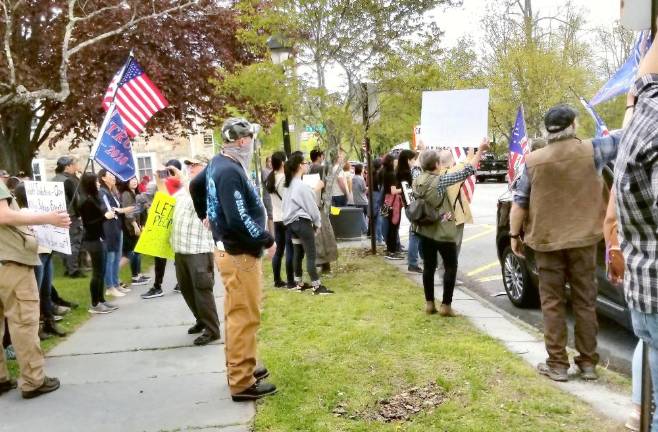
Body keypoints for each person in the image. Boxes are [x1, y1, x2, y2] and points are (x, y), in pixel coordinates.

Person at [510, 104, 609, 383]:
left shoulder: (533, 160)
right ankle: (588, 363)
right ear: (574, 125)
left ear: (547, 130)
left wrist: (513, 235)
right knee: (585, 301)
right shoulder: (594, 149)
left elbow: (519, 204)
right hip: (584, 239)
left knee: (552, 302)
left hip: (546, 241)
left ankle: (557, 365)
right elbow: (627, 139)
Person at [190, 117, 276, 401]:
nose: (253, 143)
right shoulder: (228, 171)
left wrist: (205, 212)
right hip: (239, 253)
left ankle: (244, 365)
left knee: (239, 313)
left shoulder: (220, 162)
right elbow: (238, 218)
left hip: (233, 250)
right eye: (251, 138)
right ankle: (241, 381)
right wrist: (267, 238)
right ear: (242, 141)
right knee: (244, 316)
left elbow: (196, 185)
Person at [0, 175, 70, 398]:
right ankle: (33, 381)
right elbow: (3, 215)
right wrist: (47, 218)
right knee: (23, 322)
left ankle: (1, 379)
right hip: (10, 263)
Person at [413, 140, 488, 316]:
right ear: (437, 165)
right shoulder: (441, 180)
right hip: (443, 230)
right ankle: (446, 305)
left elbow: (417, 166)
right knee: (450, 266)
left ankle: (429, 303)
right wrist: (480, 151)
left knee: (429, 267)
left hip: (424, 230)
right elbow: (467, 171)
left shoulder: (416, 179)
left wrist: (423, 151)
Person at [172, 155, 221, 346]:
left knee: (202, 291)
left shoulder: (208, 187)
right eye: (189, 165)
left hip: (198, 250)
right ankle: (200, 319)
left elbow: (203, 205)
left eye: (195, 165)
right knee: (186, 289)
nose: (190, 168)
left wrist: (183, 181)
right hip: (181, 249)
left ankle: (212, 329)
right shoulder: (184, 190)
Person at [11, 183, 67, 338]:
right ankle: (38, 327)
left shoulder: (38, 211)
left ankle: (49, 322)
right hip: (37, 255)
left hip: (46, 251)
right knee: (36, 292)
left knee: (46, 291)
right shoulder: (23, 213)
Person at [282, 153, 333, 295]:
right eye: (305, 163)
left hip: (291, 224)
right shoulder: (300, 185)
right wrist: (317, 223)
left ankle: (299, 283)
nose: (307, 165)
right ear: (299, 165)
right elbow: (312, 207)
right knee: (311, 254)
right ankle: (317, 286)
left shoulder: (289, 185)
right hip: (302, 223)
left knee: (298, 253)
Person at [77, 173, 119, 314]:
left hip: (99, 237)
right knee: (97, 273)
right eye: (96, 182)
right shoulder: (86, 201)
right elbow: (89, 223)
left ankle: (101, 300)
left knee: (101, 272)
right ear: (90, 183)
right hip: (92, 239)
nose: (99, 184)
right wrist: (104, 217)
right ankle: (95, 304)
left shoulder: (94, 198)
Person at [142, 160, 183, 299]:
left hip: (174, 222)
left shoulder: (183, 185)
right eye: (168, 171)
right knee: (162, 255)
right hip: (165, 222)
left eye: (172, 171)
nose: (169, 174)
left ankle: (167, 284)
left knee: (176, 255)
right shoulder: (164, 183)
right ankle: (159, 285)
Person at [98, 169, 131, 298]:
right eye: (110, 175)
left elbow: (116, 209)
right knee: (110, 258)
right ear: (103, 178)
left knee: (117, 256)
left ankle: (116, 283)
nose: (113, 177)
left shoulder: (112, 192)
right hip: (109, 228)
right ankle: (110, 286)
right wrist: (119, 210)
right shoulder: (103, 192)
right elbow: (109, 210)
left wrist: (119, 210)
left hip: (117, 226)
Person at [51, 156, 85, 278]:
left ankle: (68, 268)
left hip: (57, 216)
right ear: (68, 166)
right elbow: (76, 200)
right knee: (74, 242)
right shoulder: (68, 180)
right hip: (71, 216)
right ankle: (74, 270)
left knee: (63, 244)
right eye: (73, 164)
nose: (75, 166)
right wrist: (80, 215)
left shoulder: (53, 179)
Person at [266, 152, 295, 288]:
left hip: (277, 218)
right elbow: (289, 198)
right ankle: (290, 281)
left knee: (279, 250)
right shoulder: (283, 179)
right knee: (289, 249)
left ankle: (277, 280)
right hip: (287, 217)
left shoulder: (270, 178)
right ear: (283, 162)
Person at [118, 178, 150, 286]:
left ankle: (139, 274)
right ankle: (135, 276)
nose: (134, 181)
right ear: (126, 182)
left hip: (137, 226)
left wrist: (142, 224)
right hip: (129, 228)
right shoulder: (126, 194)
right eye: (131, 180)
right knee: (132, 252)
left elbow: (141, 210)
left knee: (137, 250)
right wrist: (135, 225)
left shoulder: (136, 193)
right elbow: (128, 211)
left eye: (135, 179)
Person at [396, 150, 422, 272]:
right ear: (407, 160)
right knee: (415, 234)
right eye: (412, 160)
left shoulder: (400, 173)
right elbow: (409, 193)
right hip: (412, 206)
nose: (414, 162)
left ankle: (417, 260)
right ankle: (413, 263)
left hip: (408, 206)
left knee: (416, 233)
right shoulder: (406, 174)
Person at [380, 154, 403, 260]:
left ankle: (390, 249)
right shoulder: (392, 174)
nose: (396, 162)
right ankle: (393, 251)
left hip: (386, 202)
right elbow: (393, 191)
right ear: (391, 162)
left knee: (388, 226)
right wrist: (403, 189)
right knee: (393, 227)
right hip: (393, 203)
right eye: (395, 160)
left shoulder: (384, 172)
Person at [352, 164, 368, 235]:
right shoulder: (361, 179)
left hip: (356, 200)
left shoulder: (353, 178)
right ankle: (365, 230)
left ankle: (362, 230)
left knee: (361, 216)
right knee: (366, 216)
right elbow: (364, 190)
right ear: (361, 170)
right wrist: (369, 187)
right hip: (363, 200)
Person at [262, 156, 274, 235]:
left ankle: (273, 234)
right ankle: (272, 235)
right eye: (269, 161)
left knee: (273, 215)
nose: (270, 163)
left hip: (272, 196)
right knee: (271, 215)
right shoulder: (265, 171)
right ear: (266, 162)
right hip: (268, 197)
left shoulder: (273, 171)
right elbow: (268, 183)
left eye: (272, 161)